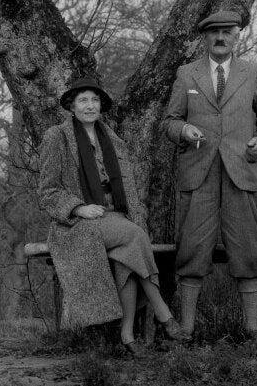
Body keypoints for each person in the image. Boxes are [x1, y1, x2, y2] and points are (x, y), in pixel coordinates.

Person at [38, 77, 187, 356]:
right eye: (83, 100)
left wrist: (136, 215)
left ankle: (127, 336)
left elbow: (128, 190)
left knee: (127, 256)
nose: (90, 106)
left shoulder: (112, 139)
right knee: (135, 237)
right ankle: (164, 314)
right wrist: (78, 208)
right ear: (71, 106)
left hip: (115, 216)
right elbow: (47, 192)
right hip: (78, 224)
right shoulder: (56, 137)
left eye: (95, 100)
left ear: (101, 105)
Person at [161, 9, 257, 341]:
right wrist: (184, 130)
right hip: (198, 173)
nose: (221, 38)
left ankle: (252, 329)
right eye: (214, 33)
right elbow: (169, 121)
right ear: (205, 38)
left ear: (237, 36)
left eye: (227, 32)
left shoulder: (251, 73)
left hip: (241, 171)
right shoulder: (187, 74)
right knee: (192, 248)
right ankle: (186, 329)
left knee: (248, 248)